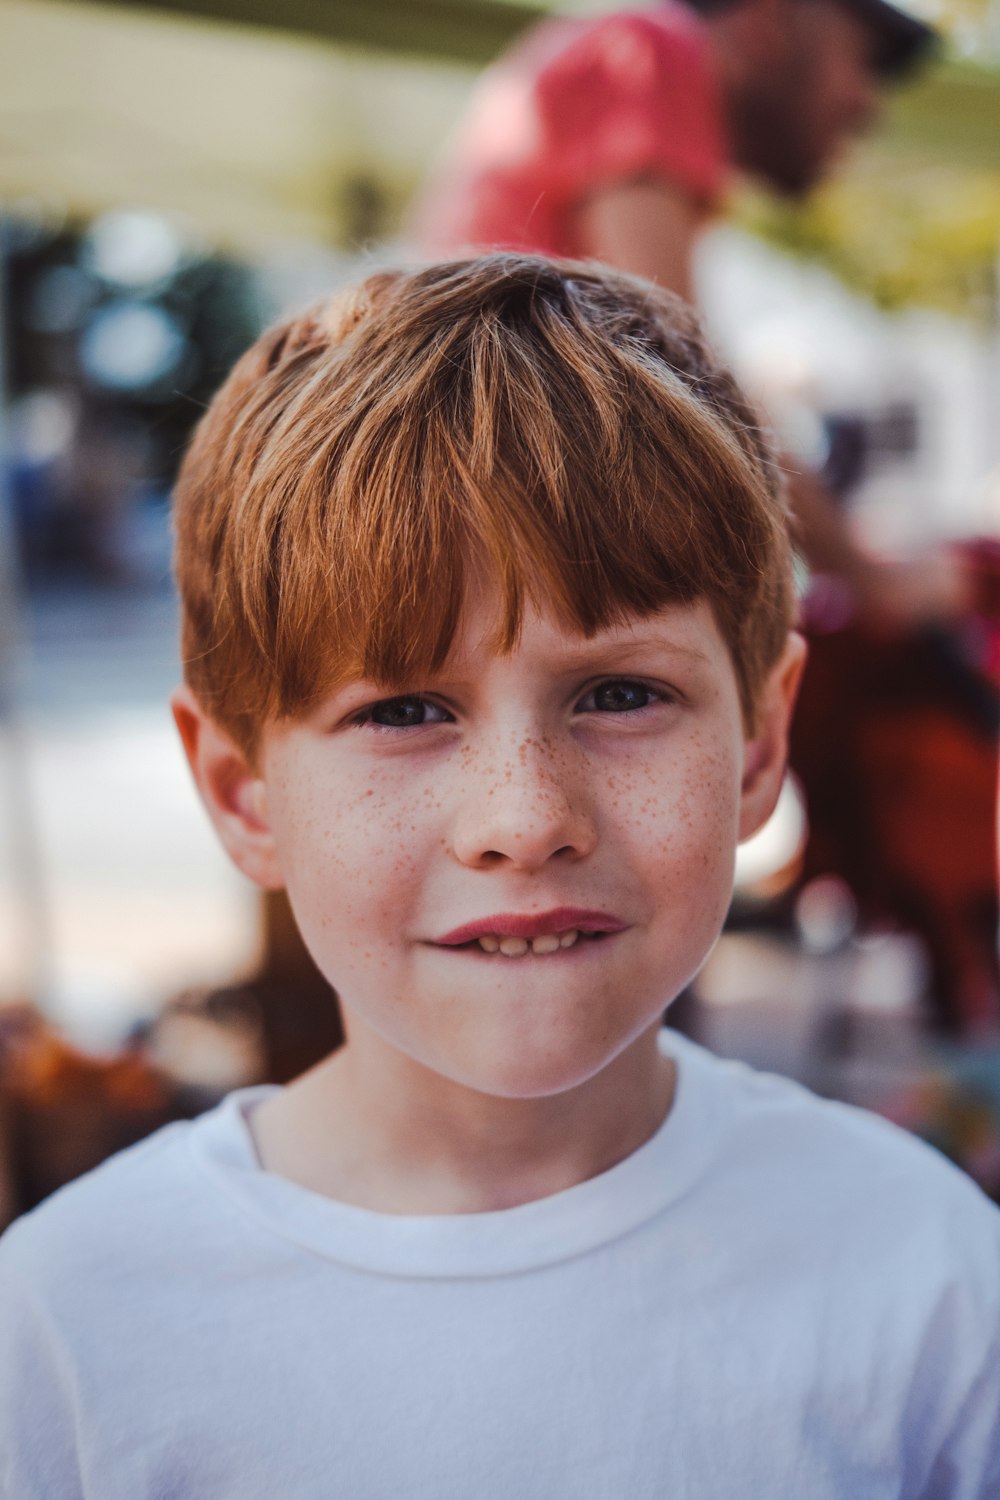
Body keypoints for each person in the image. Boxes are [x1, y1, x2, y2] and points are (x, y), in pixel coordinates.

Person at [1, 254, 998, 1496]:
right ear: (240, 792)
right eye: (406, 709)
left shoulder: (926, 1273)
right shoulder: (67, 1333)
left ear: (759, 746)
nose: (524, 822)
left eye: (623, 694)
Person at [412, 0, 960, 626]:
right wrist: (870, 576)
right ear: (770, 24)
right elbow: (676, 364)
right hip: (497, 532)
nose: (868, 105)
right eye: (866, 61)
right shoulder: (648, 49)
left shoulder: (621, 64)